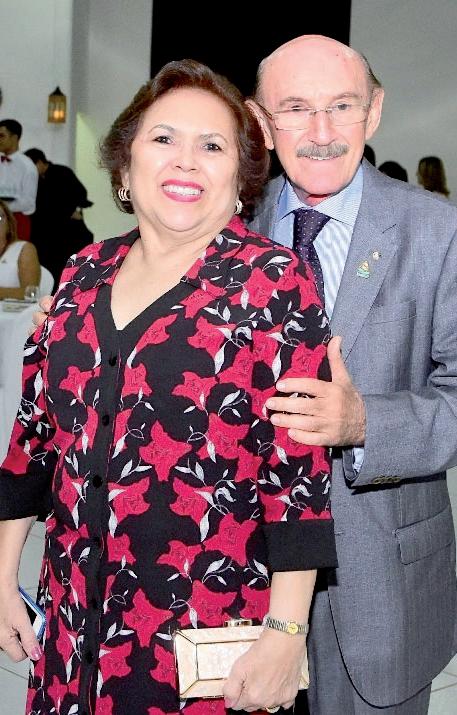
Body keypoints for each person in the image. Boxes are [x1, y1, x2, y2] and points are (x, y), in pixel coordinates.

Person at [0, 60, 337, 715]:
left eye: (211, 146)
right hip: (73, 627)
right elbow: (33, 437)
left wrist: (286, 631)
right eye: (163, 138)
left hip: (204, 636)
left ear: (239, 180)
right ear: (125, 169)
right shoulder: (84, 272)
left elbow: (297, 473)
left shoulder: (272, 282)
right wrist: (3, 573)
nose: (185, 159)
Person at [247, 35, 457, 714]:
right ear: (261, 121)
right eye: (296, 108)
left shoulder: (438, 233)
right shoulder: (227, 228)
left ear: (375, 110)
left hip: (382, 587)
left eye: (341, 106)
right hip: (240, 579)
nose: (321, 132)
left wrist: (364, 422)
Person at [24, 148, 94, 283]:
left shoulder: (62, 172)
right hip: (45, 232)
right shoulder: (33, 180)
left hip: (65, 231)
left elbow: (79, 194)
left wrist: (70, 210)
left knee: (65, 269)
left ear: (39, 162)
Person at [0, 119, 38, 241]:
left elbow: (28, 203)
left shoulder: (27, 166)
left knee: (15, 251)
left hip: (16, 221)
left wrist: (4, 206)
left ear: (15, 138)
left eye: (2, 136)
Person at [0, 199, 40, 300]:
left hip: (12, 309)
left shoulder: (23, 249)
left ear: (8, 224)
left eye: (0, 217)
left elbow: (31, 293)